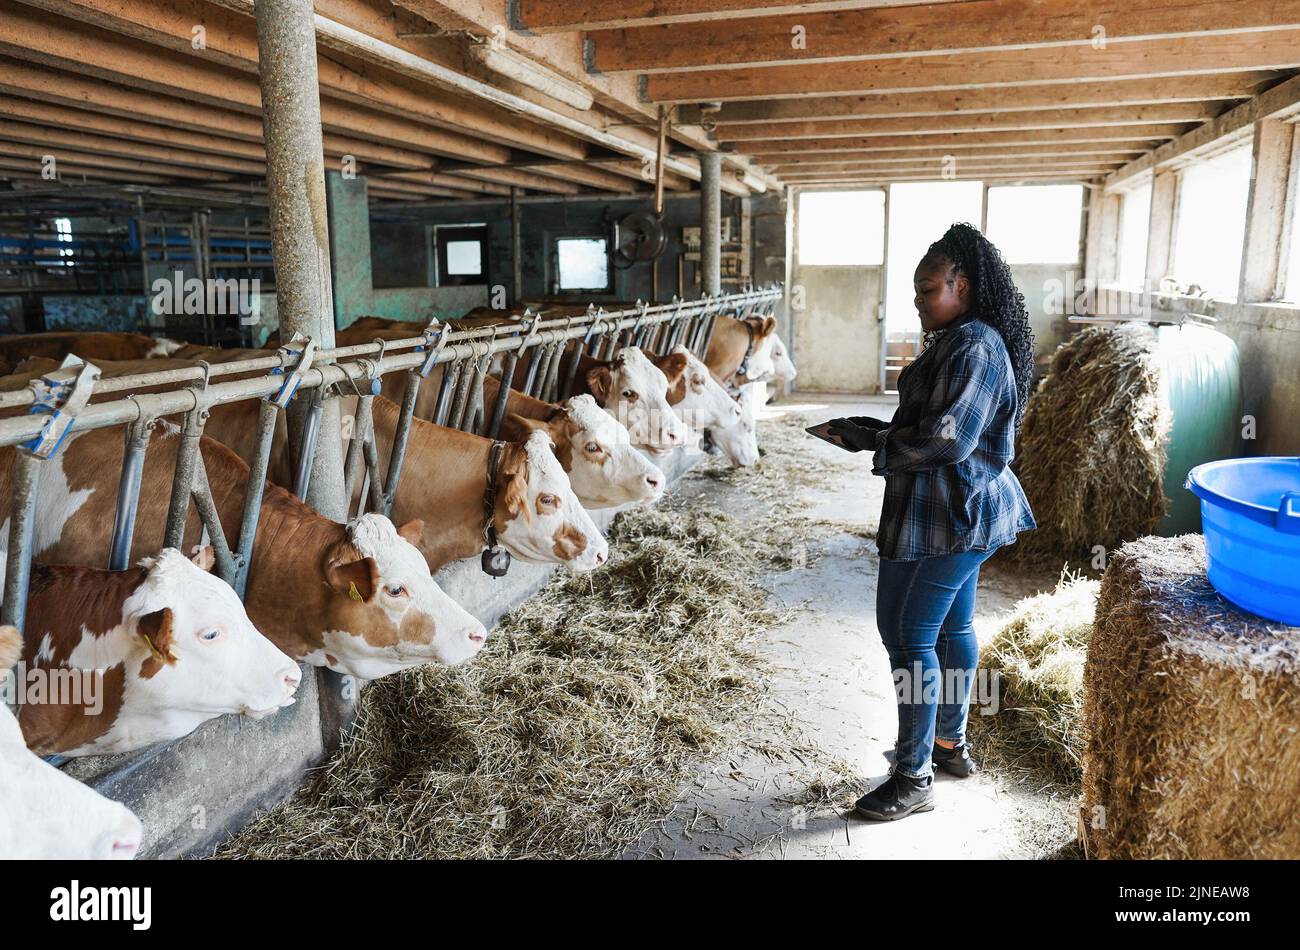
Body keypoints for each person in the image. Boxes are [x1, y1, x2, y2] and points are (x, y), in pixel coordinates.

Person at [827, 222, 1037, 822]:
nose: (917, 302)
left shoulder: (975, 346)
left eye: (927, 290)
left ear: (962, 286)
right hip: (946, 504)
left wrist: (880, 448)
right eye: (917, 291)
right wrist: (866, 433)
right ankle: (948, 744)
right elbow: (931, 426)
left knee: (907, 633)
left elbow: (948, 439)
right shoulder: (953, 339)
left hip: (955, 512)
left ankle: (914, 776)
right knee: (952, 628)